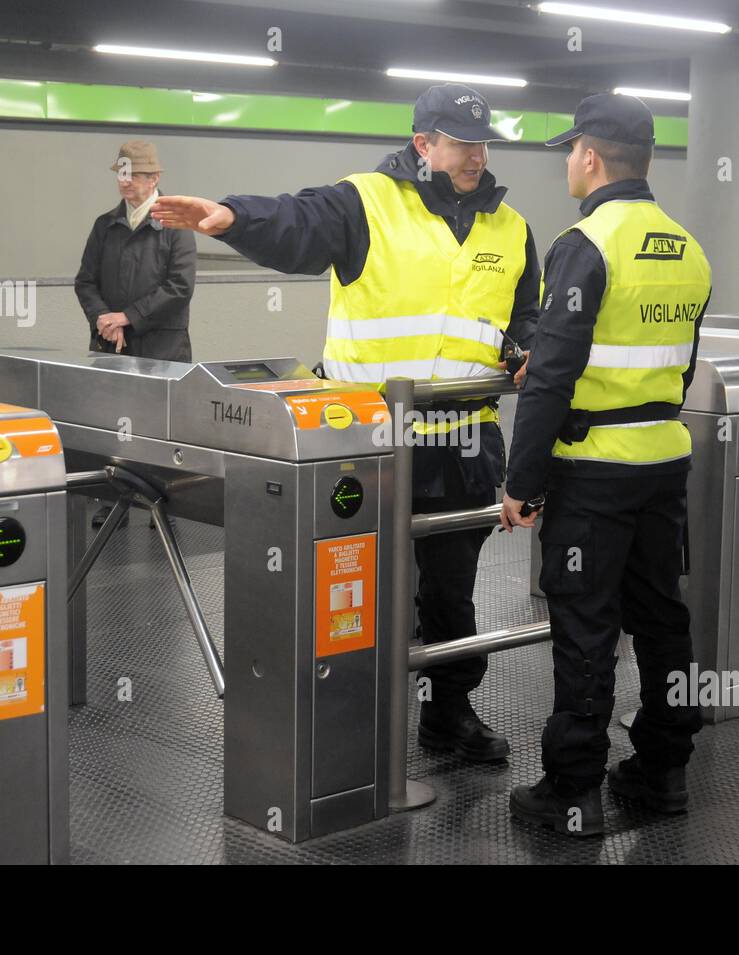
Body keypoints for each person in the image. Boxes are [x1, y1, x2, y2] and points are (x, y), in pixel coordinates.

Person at [152, 85, 540, 761]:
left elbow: (521, 318)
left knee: (451, 591)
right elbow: (297, 225)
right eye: (460, 141)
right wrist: (229, 217)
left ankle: (448, 712)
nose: (476, 155)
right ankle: (351, 715)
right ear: (423, 144)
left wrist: (527, 348)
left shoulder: (512, 229)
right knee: (356, 586)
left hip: (465, 444)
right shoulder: (366, 201)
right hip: (371, 443)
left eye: (483, 143)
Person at [500, 93, 711, 835]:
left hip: (593, 471)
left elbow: (553, 375)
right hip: (663, 460)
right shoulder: (688, 247)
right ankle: (663, 768)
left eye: (570, 150)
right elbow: (679, 369)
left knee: (587, 627)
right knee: (662, 618)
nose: (567, 162)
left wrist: (522, 482)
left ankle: (572, 791)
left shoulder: (586, 243)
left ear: (590, 155)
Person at [76, 139, 197, 527]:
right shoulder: (104, 225)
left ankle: (164, 504)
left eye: (136, 175)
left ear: (155, 177)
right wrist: (103, 319)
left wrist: (128, 316)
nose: (126, 182)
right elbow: (85, 282)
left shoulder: (176, 226)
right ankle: (113, 500)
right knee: (113, 423)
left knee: (160, 425)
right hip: (113, 346)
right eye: (122, 174)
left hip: (162, 347)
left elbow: (179, 287)